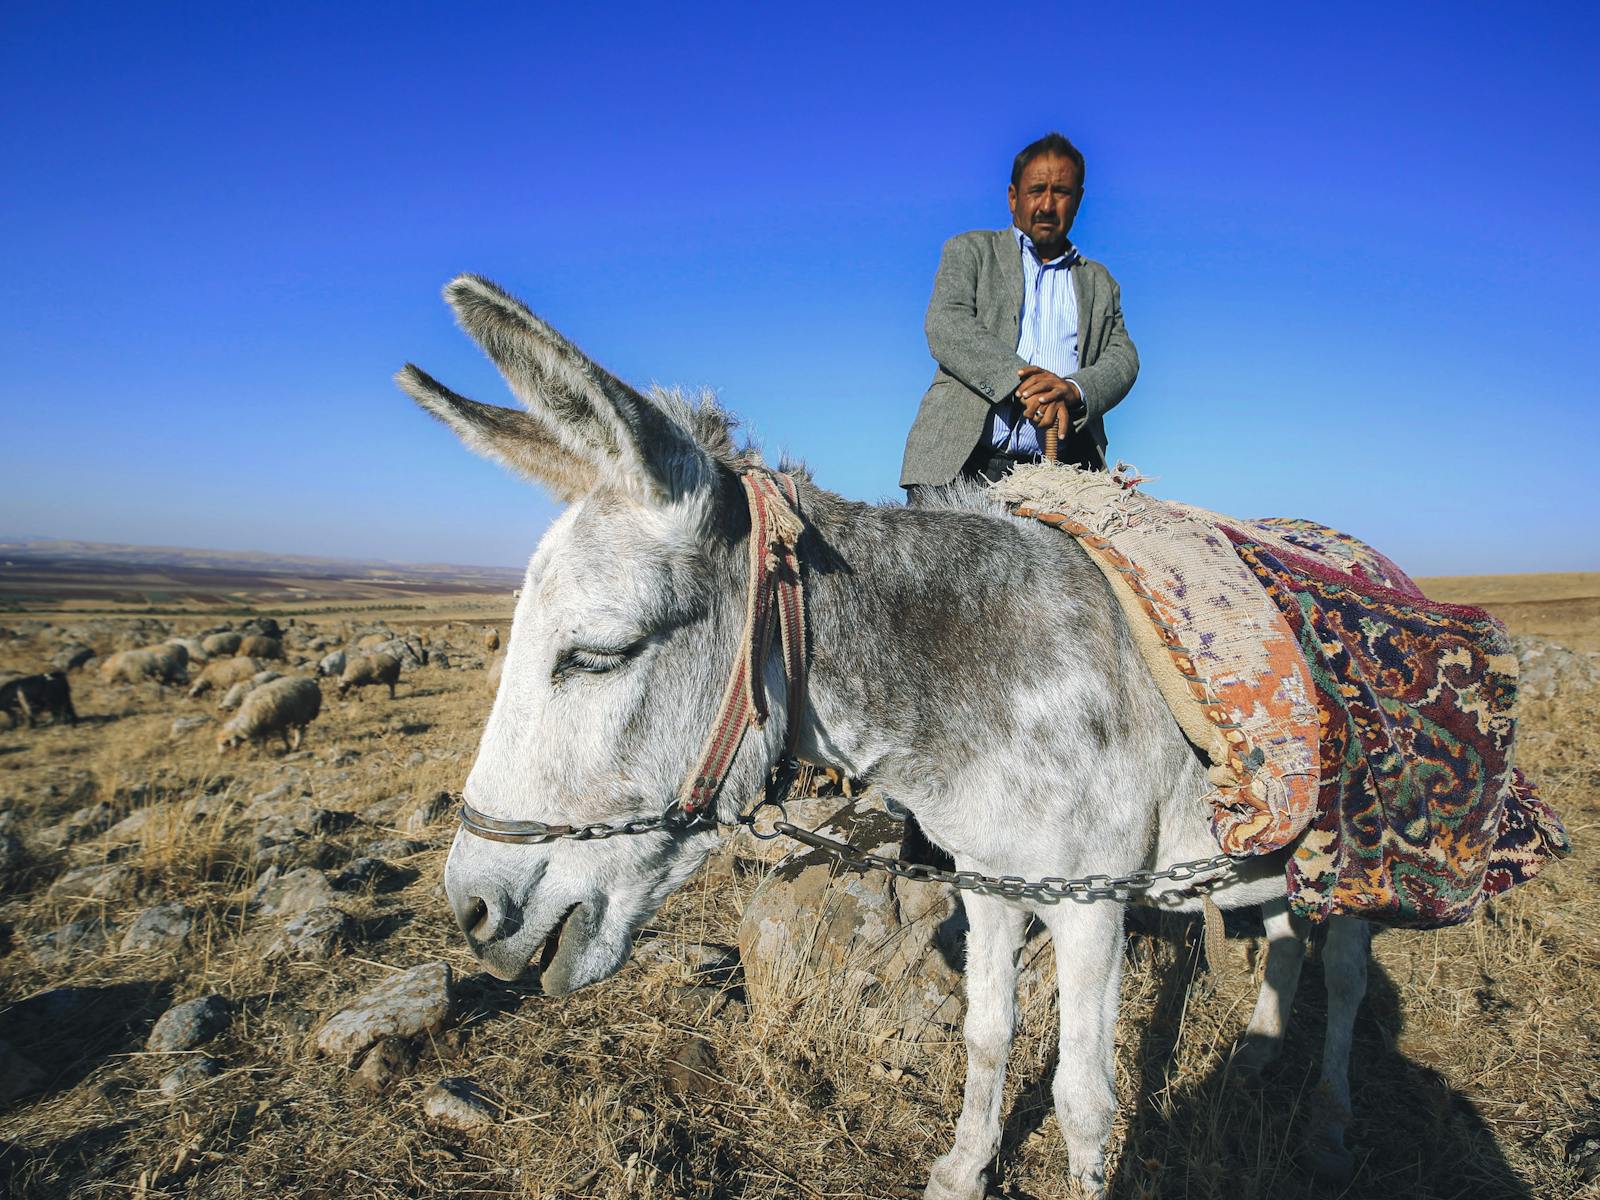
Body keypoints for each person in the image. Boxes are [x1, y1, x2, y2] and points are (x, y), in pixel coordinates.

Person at [900, 132, 1139, 504]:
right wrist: (1029, 386)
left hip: (1061, 473)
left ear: (1078, 200)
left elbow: (1123, 356)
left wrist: (1071, 389)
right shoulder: (970, 251)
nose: (1046, 204)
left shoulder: (1099, 281)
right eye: (1036, 190)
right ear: (1013, 197)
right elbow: (947, 323)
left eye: (1060, 192)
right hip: (958, 467)